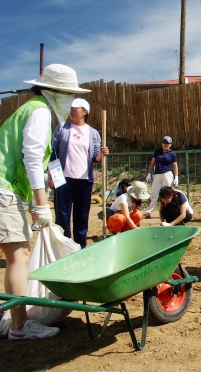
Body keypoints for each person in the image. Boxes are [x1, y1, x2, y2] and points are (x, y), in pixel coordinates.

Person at [0, 63, 89, 340]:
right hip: (4, 189)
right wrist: (42, 205)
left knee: (16, 253)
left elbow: (40, 160)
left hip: (7, 187)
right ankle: (20, 326)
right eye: (67, 94)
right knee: (19, 255)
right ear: (55, 92)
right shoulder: (39, 111)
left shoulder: (31, 109)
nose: (70, 101)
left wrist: (47, 185)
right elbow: (30, 158)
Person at [49, 98, 109, 248]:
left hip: (84, 180)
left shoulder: (93, 133)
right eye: (71, 108)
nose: (72, 110)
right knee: (62, 216)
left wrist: (102, 155)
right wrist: (52, 176)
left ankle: (80, 248)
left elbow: (95, 157)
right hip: (63, 179)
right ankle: (64, 248)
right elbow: (53, 153)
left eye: (76, 108)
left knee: (81, 217)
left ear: (85, 111)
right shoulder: (62, 128)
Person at [144, 136, 178, 218]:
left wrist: (176, 176)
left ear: (170, 144)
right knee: (154, 193)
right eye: (164, 142)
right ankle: (148, 211)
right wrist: (149, 173)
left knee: (167, 193)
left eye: (167, 143)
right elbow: (152, 163)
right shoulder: (157, 152)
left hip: (167, 174)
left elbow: (175, 166)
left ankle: (169, 210)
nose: (165, 144)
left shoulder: (172, 154)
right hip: (157, 174)